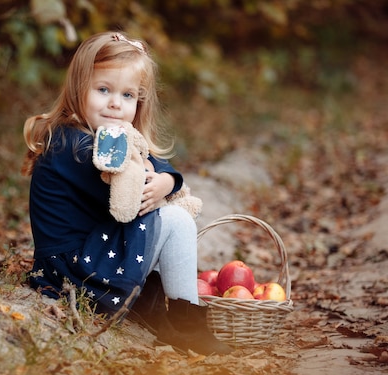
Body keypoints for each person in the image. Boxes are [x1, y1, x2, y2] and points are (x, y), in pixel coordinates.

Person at [22, 31, 231, 355]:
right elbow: (130, 200)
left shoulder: (102, 138)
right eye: (103, 89)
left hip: (86, 255)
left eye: (128, 95)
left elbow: (159, 166)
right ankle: (186, 323)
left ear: (139, 101)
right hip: (71, 269)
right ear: (79, 88)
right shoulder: (74, 146)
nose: (115, 103)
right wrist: (161, 190)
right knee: (174, 220)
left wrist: (167, 182)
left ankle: (161, 313)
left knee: (165, 217)